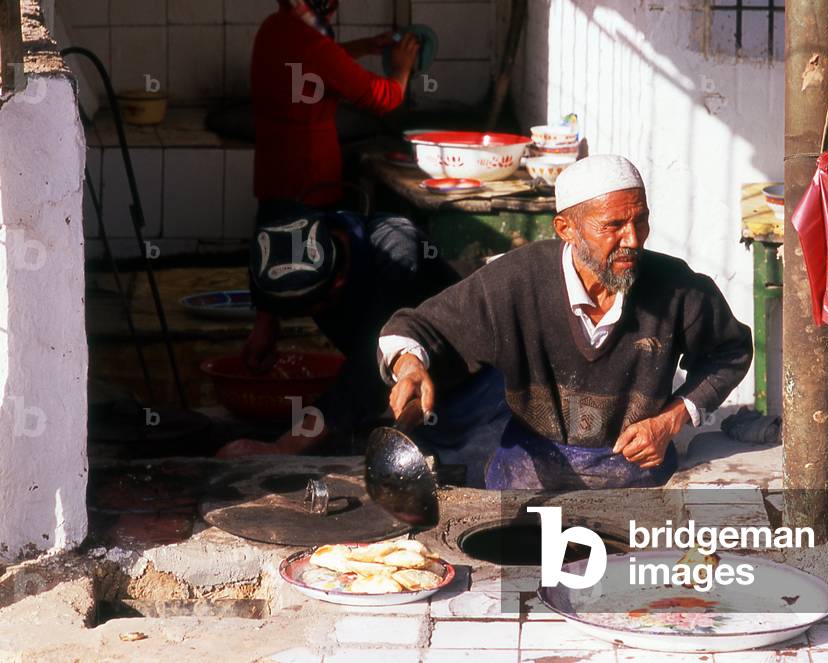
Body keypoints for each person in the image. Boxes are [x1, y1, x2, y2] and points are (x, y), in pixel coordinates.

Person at [377, 155, 753, 489]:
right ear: (566, 229)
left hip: (636, 472)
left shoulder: (675, 287)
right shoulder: (517, 279)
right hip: (531, 469)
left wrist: (671, 420)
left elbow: (731, 350)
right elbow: (416, 327)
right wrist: (409, 367)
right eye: (613, 225)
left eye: (641, 221)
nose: (634, 239)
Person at [216, 209, 458, 458]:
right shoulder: (312, 230)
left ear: (338, 282)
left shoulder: (398, 253)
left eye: (305, 309)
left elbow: (366, 374)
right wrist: (266, 321)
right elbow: (272, 258)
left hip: (458, 382)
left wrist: (284, 447)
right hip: (390, 383)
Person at [251, 0, 420, 220]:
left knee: (274, 248)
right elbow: (384, 98)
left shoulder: (273, 26)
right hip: (308, 182)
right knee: (306, 252)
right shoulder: (315, 47)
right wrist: (402, 69)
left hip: (273, 176)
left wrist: (366, 46)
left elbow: (314, 61)